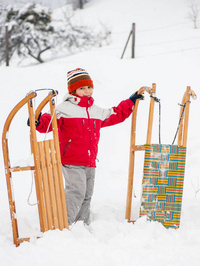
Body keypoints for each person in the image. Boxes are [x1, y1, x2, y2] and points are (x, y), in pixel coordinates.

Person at [35, 68, 143, 226]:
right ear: (73, 90)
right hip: (71, 160)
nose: (87, 91)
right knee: (76, 191)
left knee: (86, 194)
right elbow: (47, 122)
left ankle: (81, 225)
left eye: (89, 87)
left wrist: (130, 101)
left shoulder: (95, 111)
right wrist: (38, 121)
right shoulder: (64, 110)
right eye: (82, 88)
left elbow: (116, 114)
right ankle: (64, 224)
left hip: (89, 161)